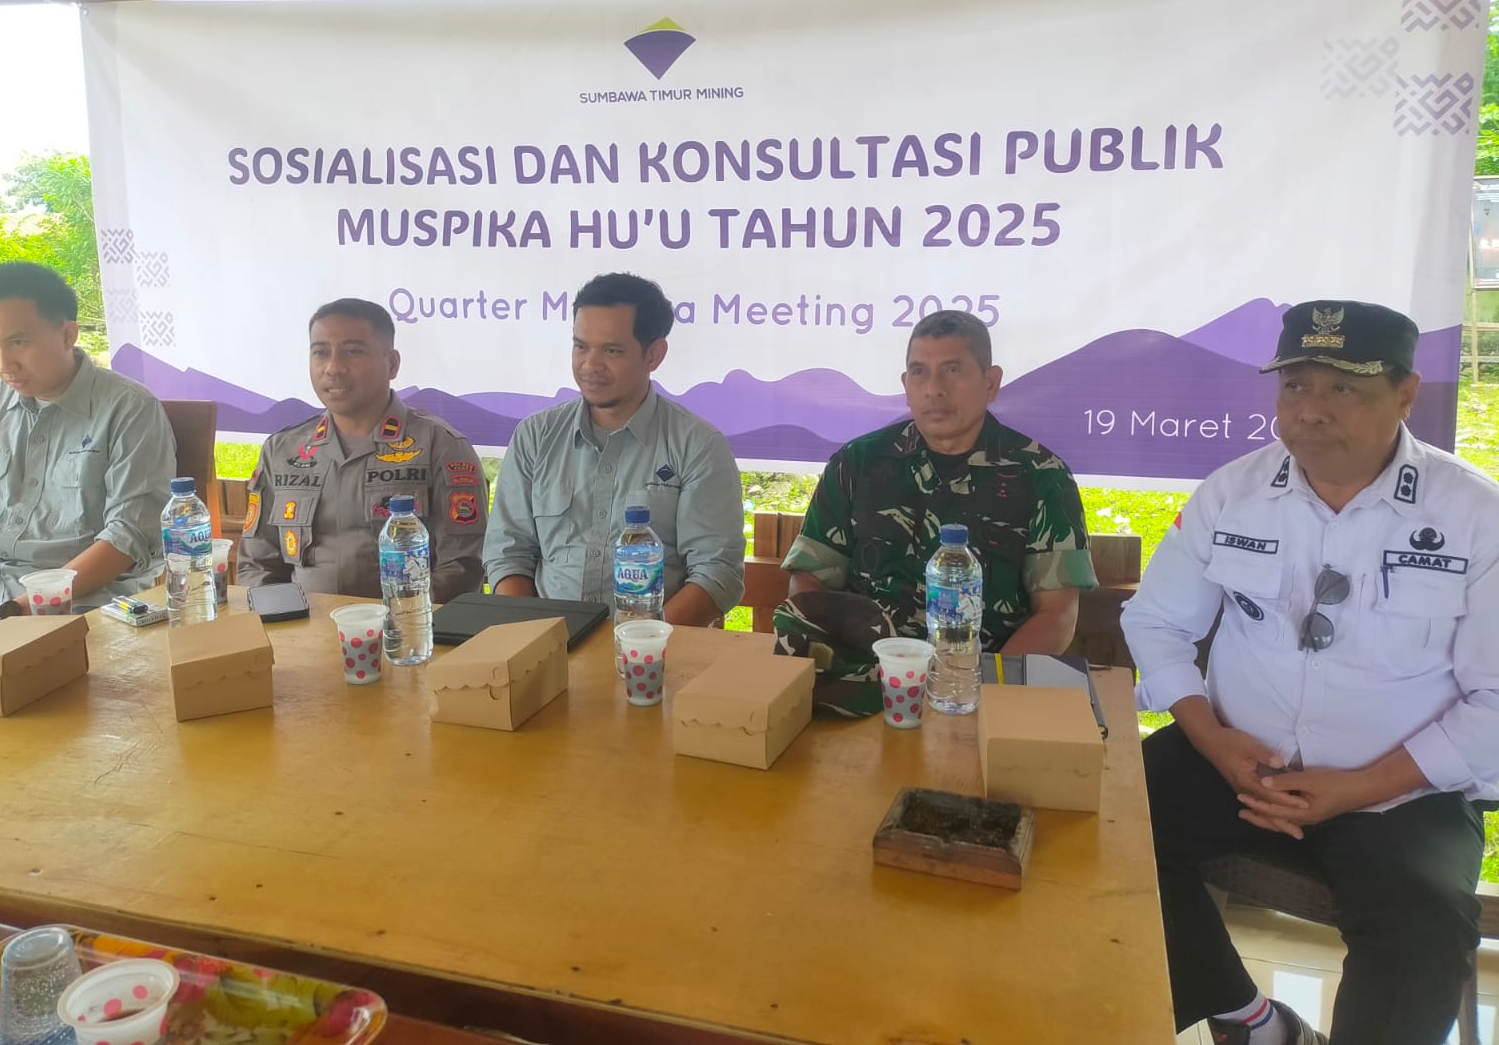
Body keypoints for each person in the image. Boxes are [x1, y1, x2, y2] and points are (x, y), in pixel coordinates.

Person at [1124, 300, 1498, 1045]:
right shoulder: (1232, 492)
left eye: (1344, 388)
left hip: (1400, 792)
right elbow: (1157, 623)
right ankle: (1249, 1021)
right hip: (1234, 762)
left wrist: (1359, 788)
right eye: (1295, 386)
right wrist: (1211, 740)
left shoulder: (1475, 516)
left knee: (1423, 931)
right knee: (1096, 833)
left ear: (1406, 394)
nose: (1311, 411)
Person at [777, 310, 1095, 700]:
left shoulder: (1042, 475)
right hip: (863, 683)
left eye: (952, 370)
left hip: (981, 690)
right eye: (919, 373)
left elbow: (1057, 614)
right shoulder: (856, 464)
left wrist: (980, 689)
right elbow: (810, 582)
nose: (934, 389)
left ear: (991, 382)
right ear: (905, 384)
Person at [0, 262, 175, 686]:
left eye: (18, 342)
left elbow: (128, 536)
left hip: (81, 604)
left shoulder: (129, 408)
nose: (3, 363)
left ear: (68, 334)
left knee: (21, 694)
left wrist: (13, 616)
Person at [483, 272, 744, 625]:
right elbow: (508, 555)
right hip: (545, 642)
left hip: (654, 649)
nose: (590, 365)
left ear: (654, 354)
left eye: (611, 350)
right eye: (581, 346)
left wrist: (637, 643)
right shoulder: (535, 436)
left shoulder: (698, 445)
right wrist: (533, 636)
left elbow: (717, 574)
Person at [240, 298, 487, 601]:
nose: (333, 368)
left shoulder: (441, 446)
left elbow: (462, 568)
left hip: (410, 626)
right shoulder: (282, 450)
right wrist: (282, 618)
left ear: (392, 364)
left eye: (353, 351)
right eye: (320, 352)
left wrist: (393, 619)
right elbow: (257, 564)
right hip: (300, 626)